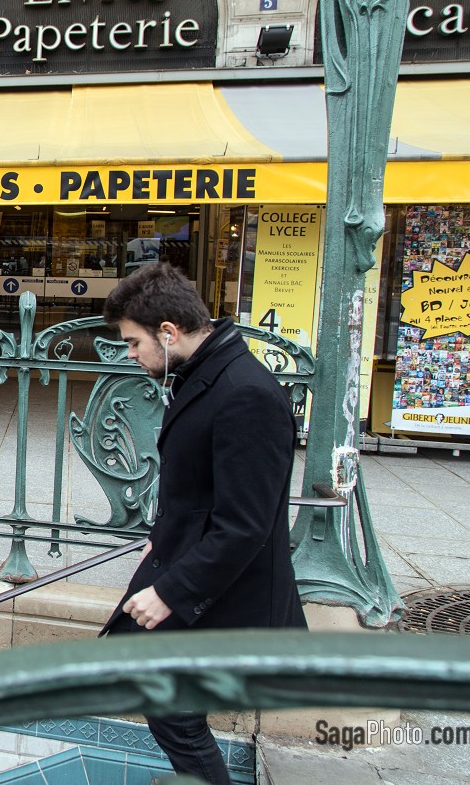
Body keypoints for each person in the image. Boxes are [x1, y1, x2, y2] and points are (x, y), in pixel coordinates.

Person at [99, 263, 304, 785]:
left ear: (168, 332)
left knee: (172, 707)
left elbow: (244, 524)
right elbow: (205, 490)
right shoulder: (207, 372)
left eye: (133, 342)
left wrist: (169, 592)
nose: (131, 355)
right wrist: (160, 538)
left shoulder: (245, 393)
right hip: (196, 564)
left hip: (225, 590)